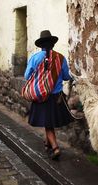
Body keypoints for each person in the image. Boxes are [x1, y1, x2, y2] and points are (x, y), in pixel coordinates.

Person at [24, 30, 73, 160]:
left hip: (41, 96)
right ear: (53, 44)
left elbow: (27, 76)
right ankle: (47, 144)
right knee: (49, 122)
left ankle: (55, 147)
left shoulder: (34, 58)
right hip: (56, 97)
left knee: (48, 124)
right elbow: (67, 77)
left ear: (41, 45)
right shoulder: (61, 58)